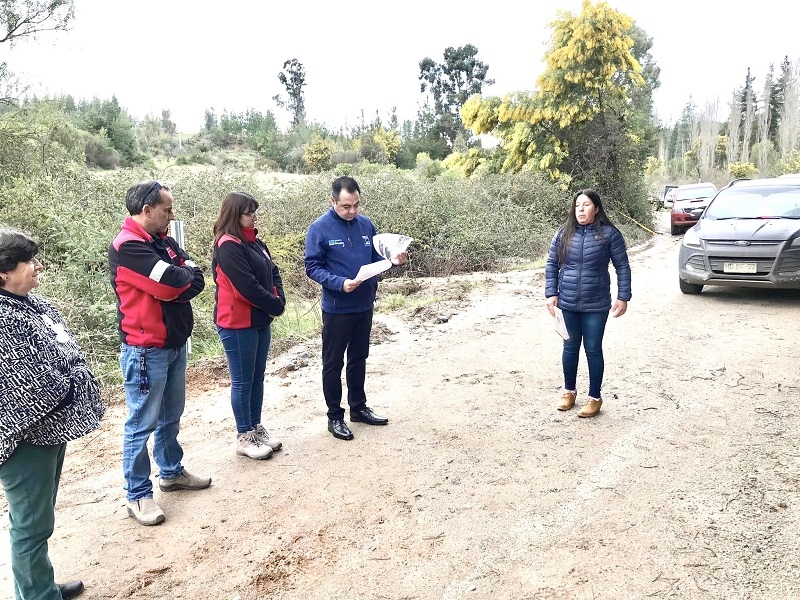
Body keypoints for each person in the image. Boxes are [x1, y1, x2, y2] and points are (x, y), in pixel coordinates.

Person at [0, 229, 105, 600]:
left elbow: (64, 352)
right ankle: (38, 595)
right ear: (3, 272)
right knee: (30, 525)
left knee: (36, 520)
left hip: (46, 433)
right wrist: (74, 381)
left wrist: (72, 376)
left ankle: (38, 586)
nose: (37, 266)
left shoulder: (27, 304)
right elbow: (30, 388)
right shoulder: (4, 319)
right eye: (29, 262)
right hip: (23, 440)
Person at [108, 180, 210, 526]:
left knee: (171, 414)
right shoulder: (129, 247)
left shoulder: (162, 241)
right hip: (145, 349)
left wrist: (181, 279)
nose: (171, 216)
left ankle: (171, 471)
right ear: (146, 210)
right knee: (142, 422)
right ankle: (138, 495)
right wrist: (180, 280)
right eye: (167, 210)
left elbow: (193, 276)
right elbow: (171, 285)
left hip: (173, 343)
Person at [304, 176, 407, 440]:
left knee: (359, 358)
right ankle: (334, 416)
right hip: (338, 306)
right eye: (346, 206)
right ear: (333, 201)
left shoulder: (365, 224)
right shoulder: (320, 228)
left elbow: (376, 258)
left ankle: (358, 407)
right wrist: (339, 283)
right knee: (332, 362)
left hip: (364, 304)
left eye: (356, 205)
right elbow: (312, 267)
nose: (352, 212)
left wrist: (393, 260)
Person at [545, 189, 631, 417]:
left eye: (586, 205)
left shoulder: (610, 234)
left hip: (597, 303)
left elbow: (622, 266)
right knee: (570, 348)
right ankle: (569, 391)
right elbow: (552, 264)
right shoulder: (564, 233)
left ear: (597, 208)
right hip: (567, 301)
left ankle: (594, 397)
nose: (580, 210)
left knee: (593, 349)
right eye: (577, 206)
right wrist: (550, 294)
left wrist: (624, 296)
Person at [212, 192, 286, 460]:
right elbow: (246, 287)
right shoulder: (228, 246)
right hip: (237, 323)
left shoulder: (255, 242)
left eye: (254, 211)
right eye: (248, 212)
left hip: (259, 320)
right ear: (234, 215)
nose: (253, 216)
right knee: (243, 381)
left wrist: (279, 298)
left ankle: (256, 427)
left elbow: (272, 271)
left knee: (257, 377)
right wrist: (274, 304)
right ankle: (244, 435)